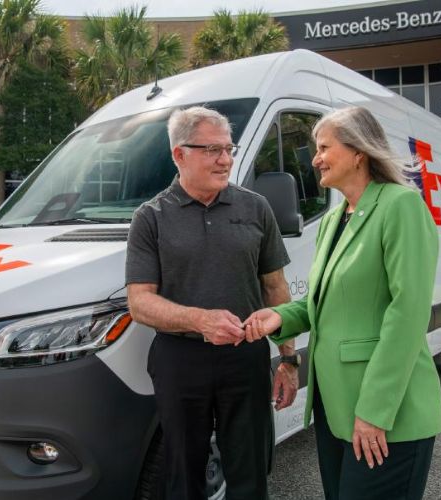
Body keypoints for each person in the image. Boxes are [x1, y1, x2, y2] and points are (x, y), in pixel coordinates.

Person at [245, 106, 441, 500]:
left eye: (323, 147)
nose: (315, 158)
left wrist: (374, 412)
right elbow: (324, 305)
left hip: (384, 415)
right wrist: (278, 317)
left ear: (359, 152)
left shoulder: (400, 206)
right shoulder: (336, 220)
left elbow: (407, 314)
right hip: (336, 411)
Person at [126, 106, 298, 500]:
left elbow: (276, 287)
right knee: (183, 475)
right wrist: (200, 320)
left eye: (228, 148)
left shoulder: (255, 207)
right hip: (180, 360)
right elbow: (140, 303)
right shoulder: (150, 217)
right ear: (179, 154)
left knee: (251, 471)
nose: (226, 160)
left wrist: (288, 358)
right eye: (212, 150)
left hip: (246, 357)